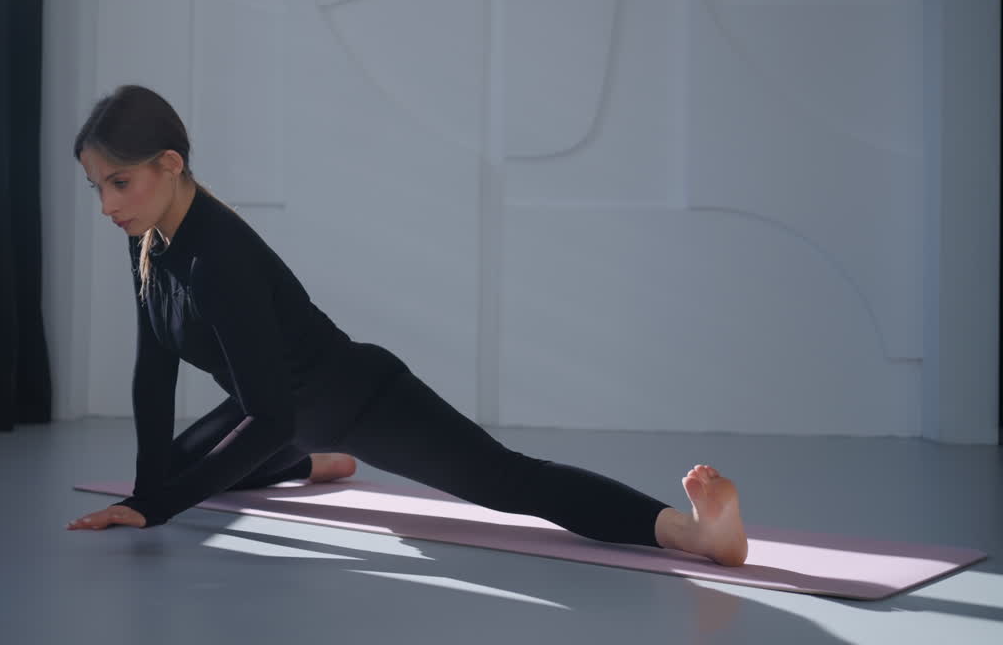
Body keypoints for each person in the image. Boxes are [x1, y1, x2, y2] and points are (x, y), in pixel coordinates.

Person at [65, 85, 748, 568]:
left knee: (508, 482)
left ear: (170, 164)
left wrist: (158, 510)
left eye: (118, 183)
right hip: (277, 411)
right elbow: (153, 366)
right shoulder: (148, 236)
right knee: (183, 469)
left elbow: (268, 418)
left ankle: (692, 534)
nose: (106, 205)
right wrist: (145, 492)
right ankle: (311, 463)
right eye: (96, 186)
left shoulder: (221, 259)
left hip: (356, 399)